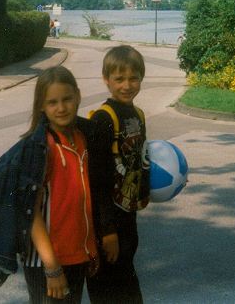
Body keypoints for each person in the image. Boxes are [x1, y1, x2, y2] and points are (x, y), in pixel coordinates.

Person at [0, 66, 116, 303]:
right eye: (52, 102)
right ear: (41, 106)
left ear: (78, 96)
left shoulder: (83, 138)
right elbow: (32, 214)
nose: (61, 108)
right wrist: (52, 268)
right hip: (47, 263)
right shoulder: (39, 149)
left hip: (77, 256)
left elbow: (84, 200)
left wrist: (90, 249)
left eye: (67, 99)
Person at [87, 45, 150, 304]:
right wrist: (107, 231)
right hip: (107, 222)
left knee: (127, 284)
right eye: (119, 79)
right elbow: (97, 180)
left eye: (133, 78)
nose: (127, 85)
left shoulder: (138, 115)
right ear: (106, 80)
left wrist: (147, 190)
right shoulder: (104, 118)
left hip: (128, 217)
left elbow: (140, 159)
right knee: (107, 291)